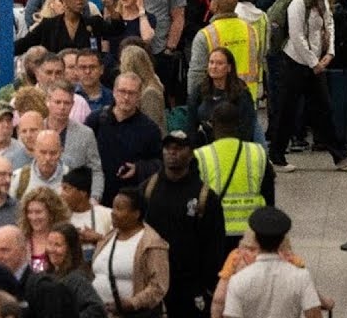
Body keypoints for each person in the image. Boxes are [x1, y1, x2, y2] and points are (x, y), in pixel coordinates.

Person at [270, 0, 347, 172]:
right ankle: (276, 156)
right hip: (295, 63)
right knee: (287, 110)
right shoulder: (299, 2)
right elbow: (297, 35)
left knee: (323, 109)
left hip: (314, 62)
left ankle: (340, 154)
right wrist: (313, 62)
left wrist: (330, 53)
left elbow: (329, 25)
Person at [144, 130, 226, 318]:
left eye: (179, 148)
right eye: (168, 148)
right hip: (153, 282)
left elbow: (215, 246)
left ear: (191, 154)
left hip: (190, 287)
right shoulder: (148, 188)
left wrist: (208, 287)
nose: (172, 152)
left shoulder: (205, 196)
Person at [195, 101, 272, 258]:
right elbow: (269, 196)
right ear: (238, 124)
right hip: (252, 232)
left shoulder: (201, 156)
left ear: (212, 125)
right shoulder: (257, 153)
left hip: (215, 233)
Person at [223, 207, 324, 318]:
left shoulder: (238, 280)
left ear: (256, 239)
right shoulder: (301, 277)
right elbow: (315, 315)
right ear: (282, 240)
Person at [91, 187, 170, 318]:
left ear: (136, 214)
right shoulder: (109, 237)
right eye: (113, 207)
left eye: (119, 208)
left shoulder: (152, 243)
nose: (113, 212)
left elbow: (158, 286)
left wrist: (132, 303)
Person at [84, 72, 161, 205]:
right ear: (114, 92)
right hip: (96, 197)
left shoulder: (149, 129)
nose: (126, 97)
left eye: (132, 93)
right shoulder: (96, 120)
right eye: (122, 91)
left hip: (130, 200)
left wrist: (138, 168)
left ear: (139, 96)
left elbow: (159, 163)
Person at [188, 46, 256, 143]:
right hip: (206, 145)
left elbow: (246, 128)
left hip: (234, 144)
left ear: (229, 68)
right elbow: (191, 124)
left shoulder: (241, 93)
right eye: (211, 62)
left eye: (219, 63)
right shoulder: (199, 90)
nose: (214, 67)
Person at [45, 222, 108, 318]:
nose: (52, 249)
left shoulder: (77, 279)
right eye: (50, 244)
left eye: (58, 245)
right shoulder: (48, 275)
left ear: (70, 248)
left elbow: (97, 309)